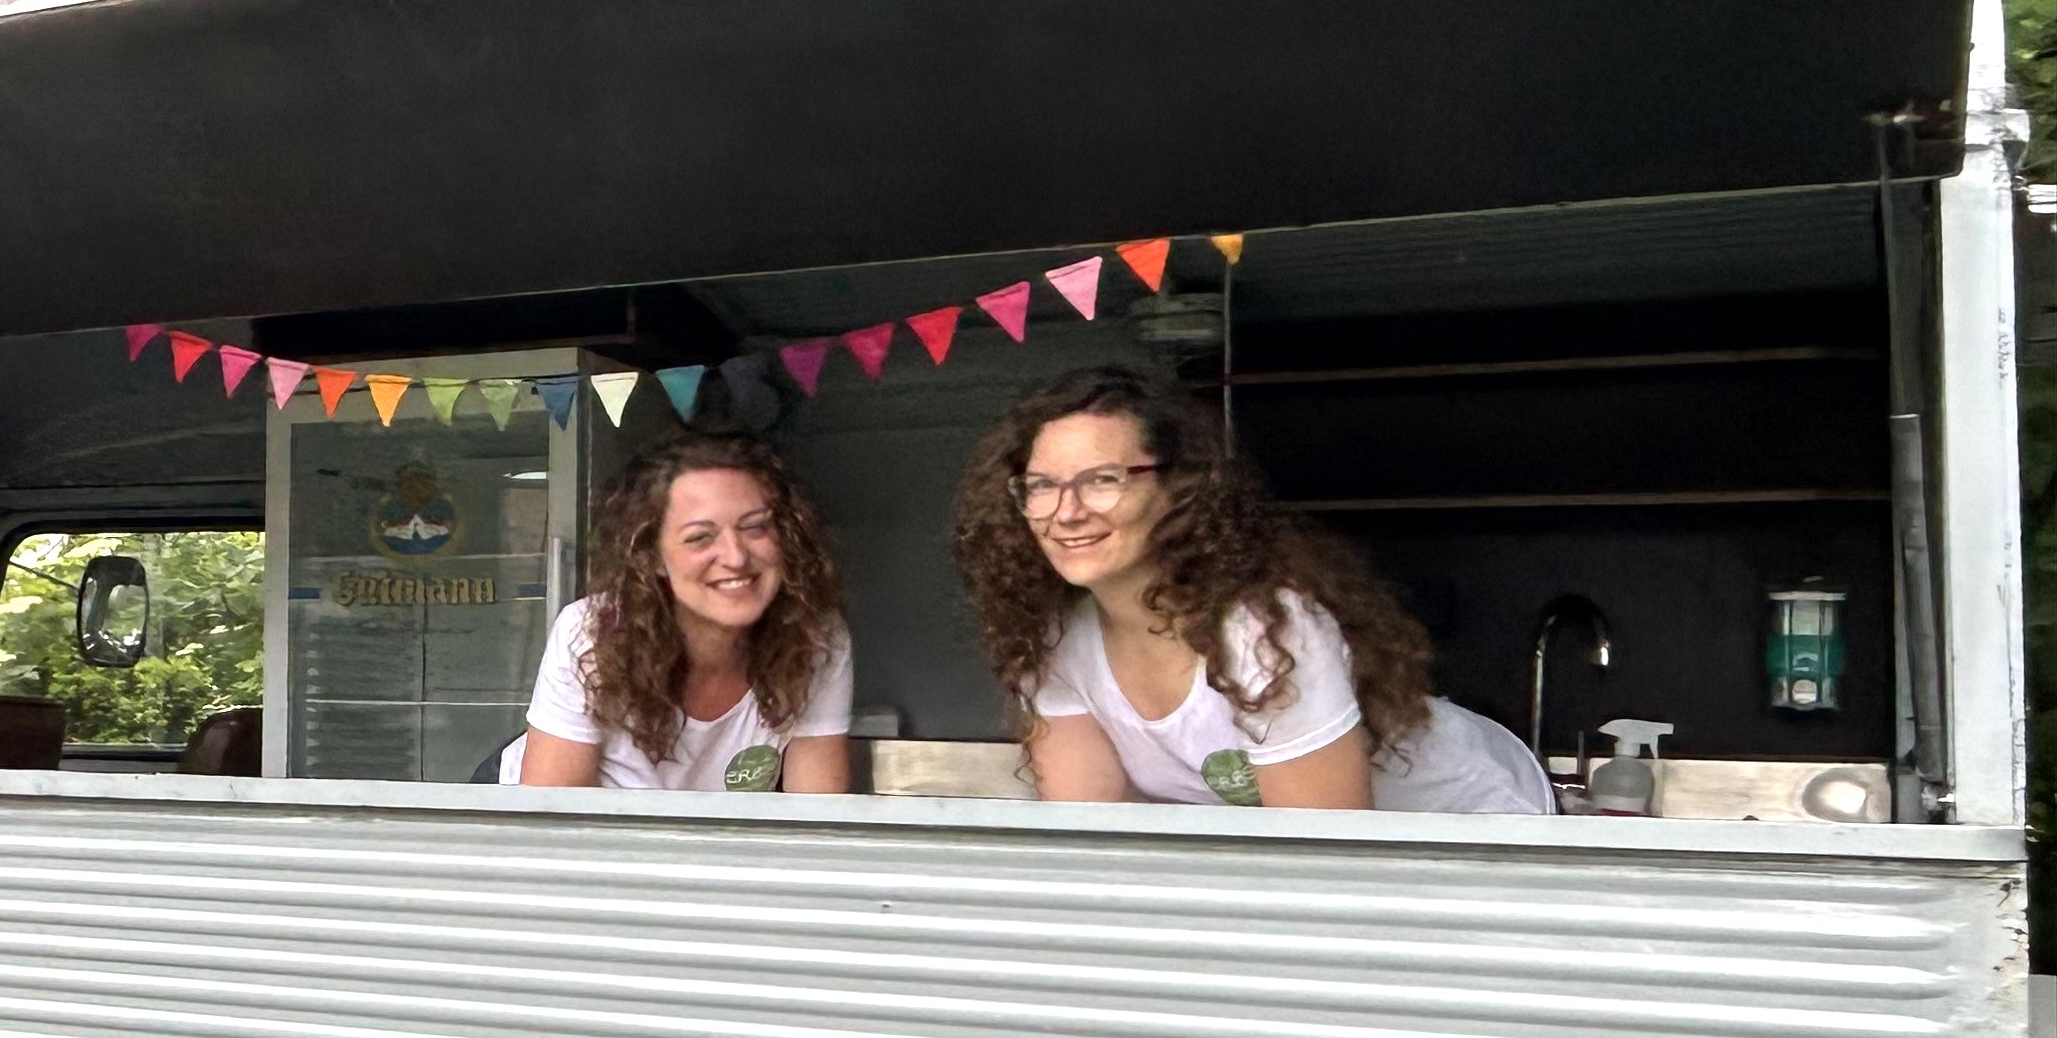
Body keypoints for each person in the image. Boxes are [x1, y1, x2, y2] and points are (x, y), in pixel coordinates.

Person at [949, 366, 1554, 814]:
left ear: (1179, 489)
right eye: (1041, 486)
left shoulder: (1264, 632)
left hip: (1480, 829)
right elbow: (1088, 837)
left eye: (1102, 480)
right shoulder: (1056, 644)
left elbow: (1322, 864)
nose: (1067, 511)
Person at [519, 430, 855, 793]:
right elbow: (550, 825)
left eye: (754, 527)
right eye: (700, 537)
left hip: (705, 842)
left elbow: (816, 821)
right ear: (652, 557)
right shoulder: (593, 633)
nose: (736, 557)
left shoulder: (814, 637)